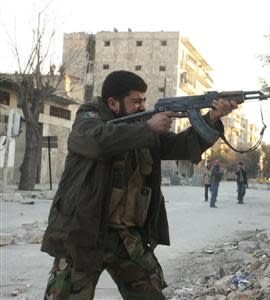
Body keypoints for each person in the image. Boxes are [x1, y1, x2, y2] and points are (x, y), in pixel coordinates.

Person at [40, 70, 237, 300]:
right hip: (84, 233)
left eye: (144, 100)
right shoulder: (88, 119)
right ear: (113, 103)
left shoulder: (143, 125)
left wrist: (211, 119)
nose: (143, 106)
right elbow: (98, 141)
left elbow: (180, 146)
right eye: (136, 101)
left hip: (126, 237)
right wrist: (148, 129)